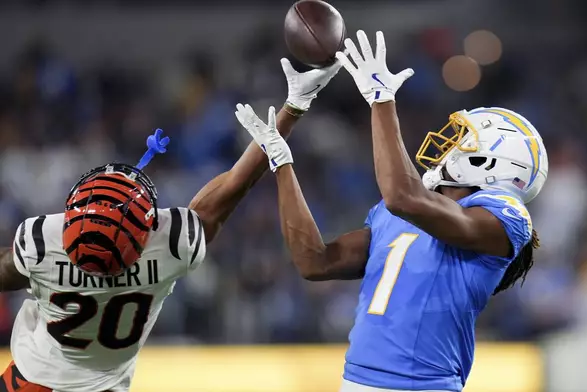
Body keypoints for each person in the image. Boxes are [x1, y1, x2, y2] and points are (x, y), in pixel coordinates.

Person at [0, 58, 341, 392]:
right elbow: (234, 187)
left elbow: (6, 271)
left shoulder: (40, 241)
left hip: (29, 384)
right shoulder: (169, 246)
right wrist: (293, 107)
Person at [236, 30, 548, 392]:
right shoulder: (401, 208)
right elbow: (314, 261)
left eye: (463, 139)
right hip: (355, 381)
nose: (448, 145)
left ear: (491, 161)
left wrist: (381, 100)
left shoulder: (504, 215)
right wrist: (282, 163)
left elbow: (404, 196)